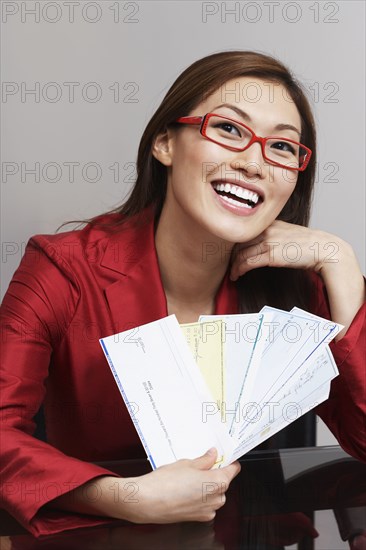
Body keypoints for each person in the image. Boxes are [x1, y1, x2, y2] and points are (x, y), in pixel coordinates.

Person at [0, 50, 365, 538]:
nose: (255, 161)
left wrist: (343, 266)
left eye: (281, 147)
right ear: (165, 143)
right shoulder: (63, 269)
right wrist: (121, 496)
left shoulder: (296, 285)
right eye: (230, 129)